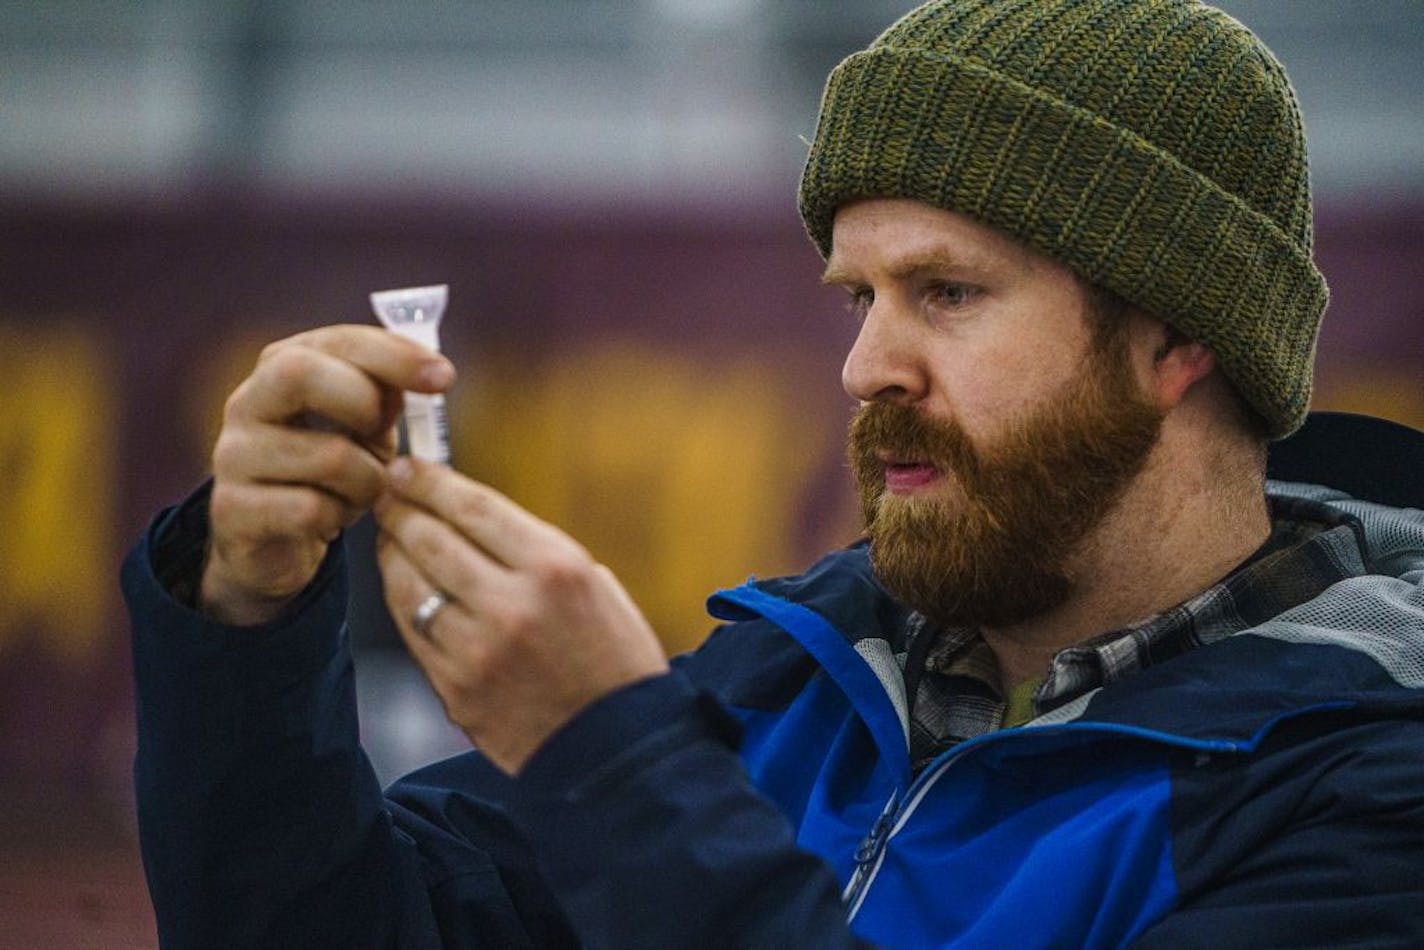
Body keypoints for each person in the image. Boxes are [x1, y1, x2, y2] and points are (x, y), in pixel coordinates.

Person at [122, 0, 1424, 946]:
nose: (866, 366)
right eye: (859, 294)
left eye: (949, 293)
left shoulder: (1371, 787)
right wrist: (245, 611)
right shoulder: (791, 683)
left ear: (1178, 337)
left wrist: (613, 761)